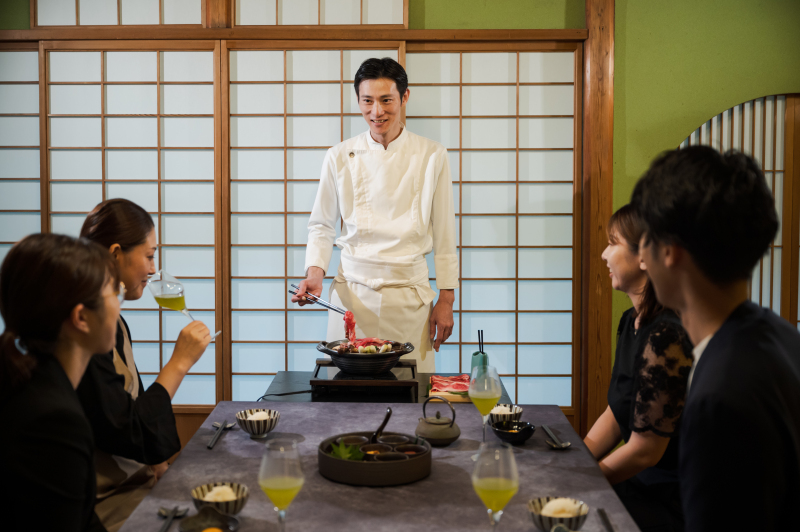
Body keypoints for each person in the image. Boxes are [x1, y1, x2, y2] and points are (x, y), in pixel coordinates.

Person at [630, 146, 800, 531]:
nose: (641, 255)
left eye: (645, 239)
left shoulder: (722, 398)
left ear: (670, 252)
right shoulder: (779, 335)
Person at [292, 57, 458, 371]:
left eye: (386, 100)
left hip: (409, 297)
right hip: (353, 296)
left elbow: (446, 232)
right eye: (367, 101)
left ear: (405, 97)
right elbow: (322, 225)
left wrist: (446, 300)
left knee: (411, 396)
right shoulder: (339, 156)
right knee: (346, 401)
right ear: (358, 100)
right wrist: (315, 273)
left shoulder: (432, 155)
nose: (376, 112)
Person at [77, 199, 211, 532]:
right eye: (149, 256)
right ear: (115, 254)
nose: (153, 269)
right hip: (106, 501)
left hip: (139, 482)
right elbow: (123, 426)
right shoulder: (85, 333)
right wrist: (179, 363)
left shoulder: (115, 323)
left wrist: (160, 466)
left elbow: (128, 403)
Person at [0, 233, 121, 531]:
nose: (119, 306)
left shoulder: (31, 376)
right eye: (113, 294)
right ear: (81, 317)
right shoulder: (53, 420)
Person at [584, 205, 693, 532]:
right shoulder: (632, 322)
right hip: (641, 481)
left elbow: (645, 452)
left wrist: (583, 482)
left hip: (674, 496)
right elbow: (618, 413)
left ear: (645, 257)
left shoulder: (667, 336)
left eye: (613, 242)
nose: (604, 254)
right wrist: (574, 460)